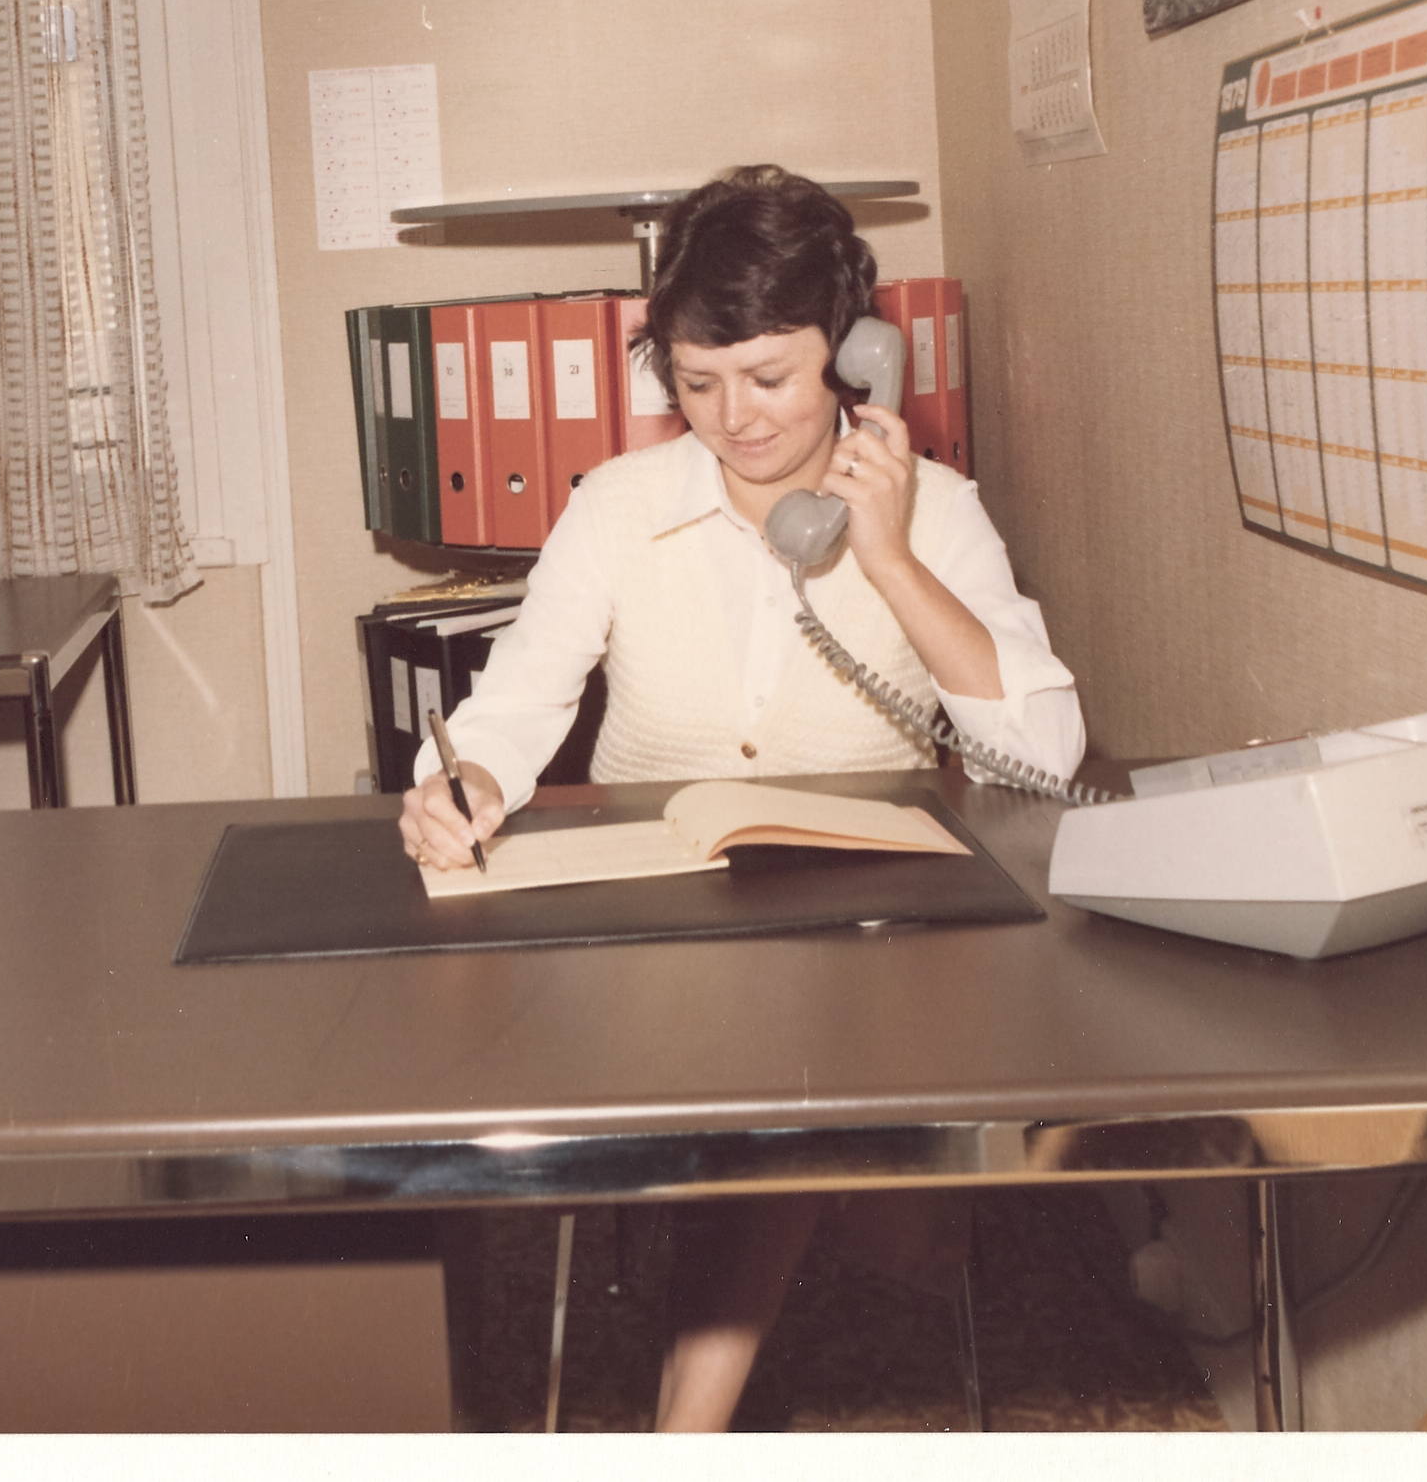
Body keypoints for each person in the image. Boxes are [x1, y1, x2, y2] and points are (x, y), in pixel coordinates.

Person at [395, 163, 1088, 1431]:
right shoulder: (617, 505)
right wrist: (466, 779)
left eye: (769, 377)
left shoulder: (936, 512)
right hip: (661, 919)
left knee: (800, 1066)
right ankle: (747, 1353)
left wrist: (886, 554)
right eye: (697, 384)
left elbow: (1040, 751)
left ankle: (691, 1417)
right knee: (791, 1084)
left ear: (854, 353)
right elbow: (515, 699)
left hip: (871, 924)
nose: (735, 419)